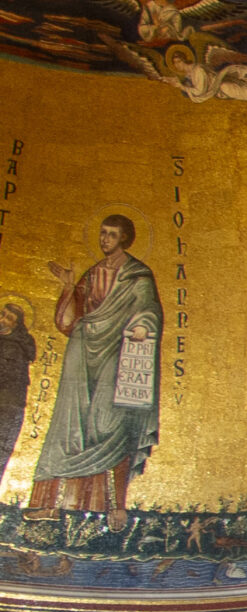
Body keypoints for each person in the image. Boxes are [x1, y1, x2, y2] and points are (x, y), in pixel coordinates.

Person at [28, 213, 160, 527]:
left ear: (124, 239)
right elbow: (68, 322)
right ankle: (53, 504)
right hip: (82, 348)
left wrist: (143, 324)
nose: (105, 239)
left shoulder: (138, 275)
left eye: (112, 234)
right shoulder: (92, 274)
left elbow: (148, 308)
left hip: (118, 349)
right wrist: (69, 287)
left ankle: (114, 507)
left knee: (110, 422)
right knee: (69, 425)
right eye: (102, 233)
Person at [0, 304, 35, 487]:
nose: (2, 320)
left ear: (16, 325)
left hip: (7, 406)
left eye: (8, 318)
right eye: (2, 315)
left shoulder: (17, 346)